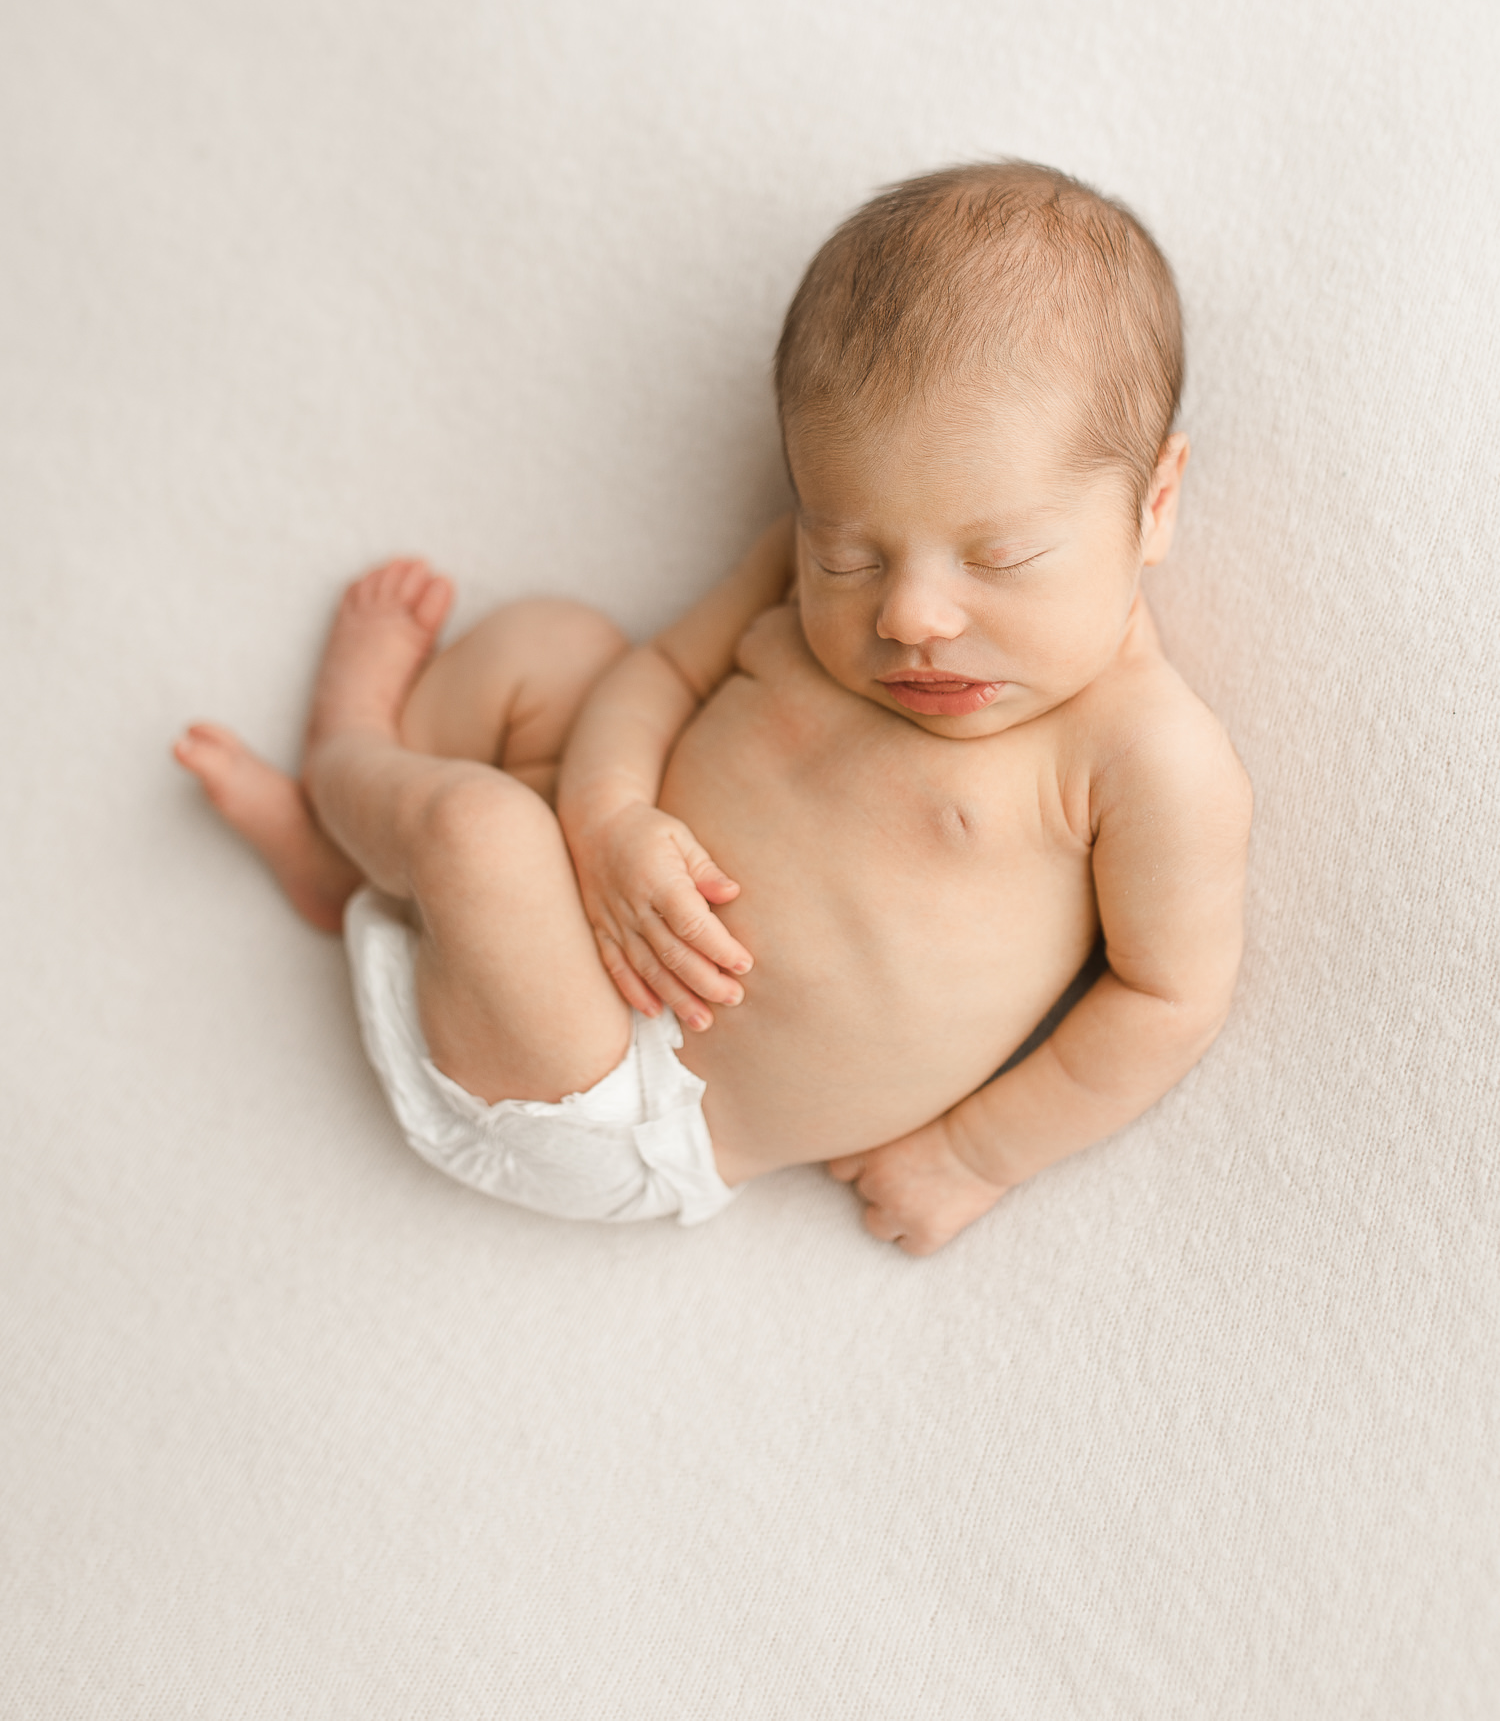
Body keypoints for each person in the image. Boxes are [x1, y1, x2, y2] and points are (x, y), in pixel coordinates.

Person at [174, 160, 1252, 1255]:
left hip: (624, 1098)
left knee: (479, 832)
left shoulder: (1141, 757)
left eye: (1002, 558)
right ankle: (351, 853)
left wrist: (977, 1153)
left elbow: (1169, 1000)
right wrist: (607, 824)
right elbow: (657, 678)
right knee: (558, 643)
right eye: (848, 553)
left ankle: (346, 769)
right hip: (565, 899)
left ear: (1154, 505)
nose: (911, 615)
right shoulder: (786, 578)